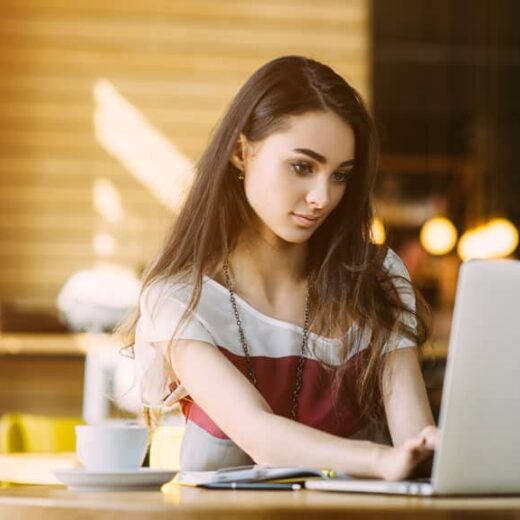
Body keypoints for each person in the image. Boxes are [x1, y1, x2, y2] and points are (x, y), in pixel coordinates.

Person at [120, 55, 437, 481]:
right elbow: (258, 435)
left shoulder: (376, 278)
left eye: (341, 175)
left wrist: (433, 449)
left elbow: (415, 438)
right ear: (240, 152)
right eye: (302, 167)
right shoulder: (180, 296)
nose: (322, 197)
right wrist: (381, 461)